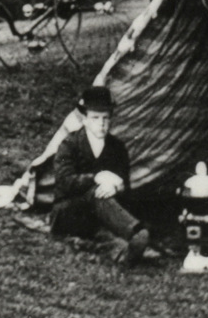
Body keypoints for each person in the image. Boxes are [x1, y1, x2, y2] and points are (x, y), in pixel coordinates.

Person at [51, 85, 151, 265]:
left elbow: (124, 186)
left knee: (107, 231)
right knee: (96, 193)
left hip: (101, 215)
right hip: (70, 213)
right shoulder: (69, 144)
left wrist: (115, 187)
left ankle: (124, 251)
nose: (101, 123)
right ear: (85, 119)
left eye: (105, 118)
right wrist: (96, 178)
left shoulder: (117, 147)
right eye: (95, 118)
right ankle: (137, 232)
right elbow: (65, 183)